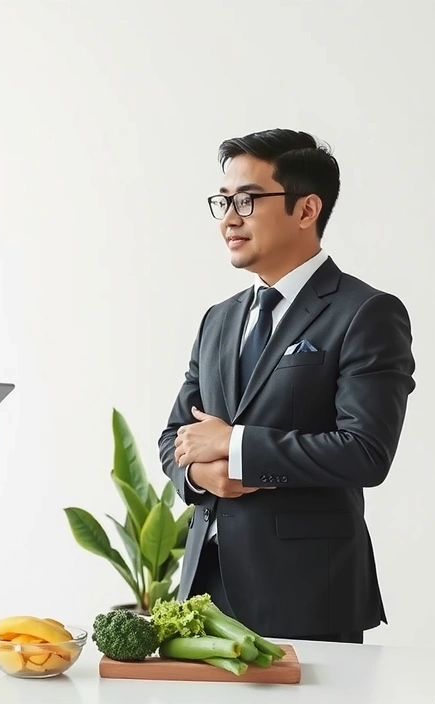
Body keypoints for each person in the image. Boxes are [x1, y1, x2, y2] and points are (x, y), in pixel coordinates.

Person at [158, 129, 415, 644]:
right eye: (223, 201)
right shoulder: (219, 319)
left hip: (306, 594)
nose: (229, 217)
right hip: (203, 589)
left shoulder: (365, 313)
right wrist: (206, 479)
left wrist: (236, 445)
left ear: (306, 209)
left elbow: (366, 452)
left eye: (247, 200)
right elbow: (175, 439)